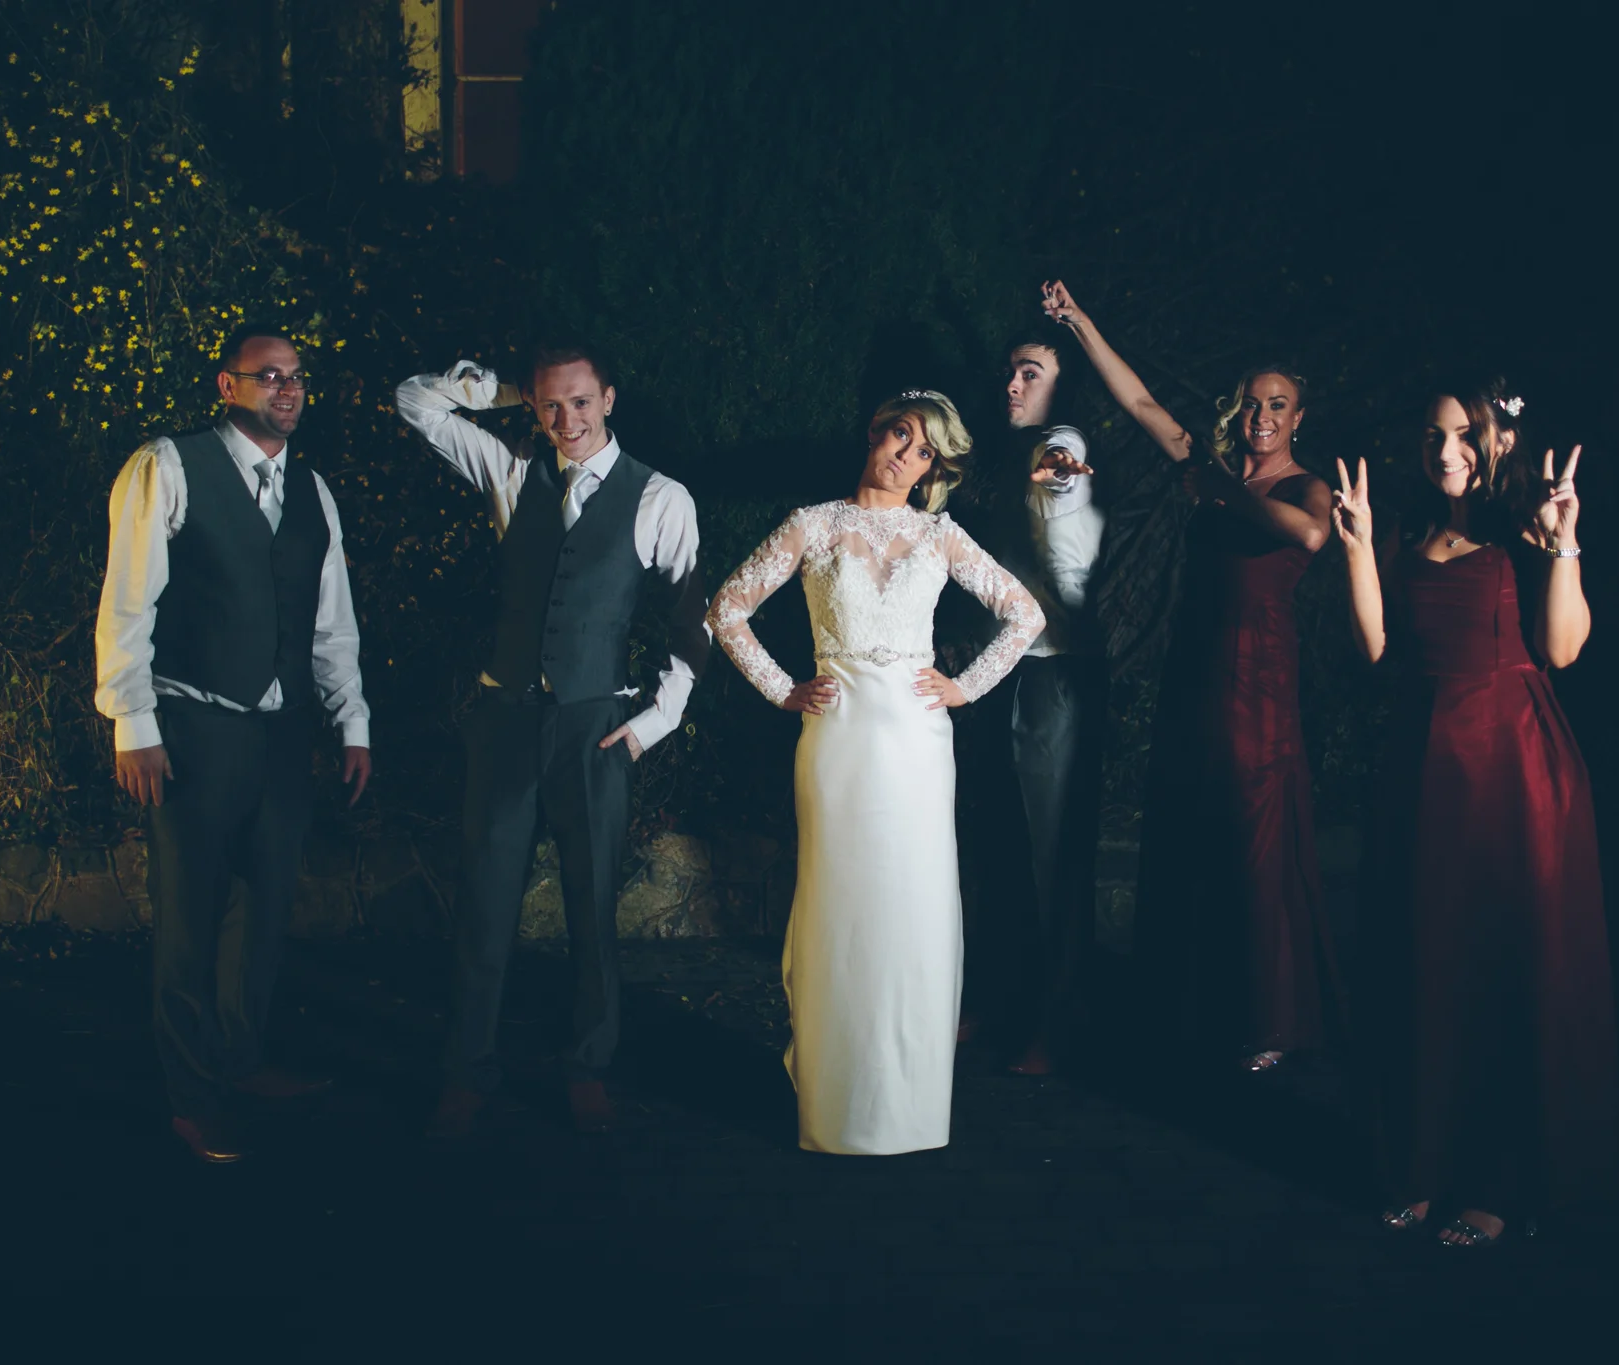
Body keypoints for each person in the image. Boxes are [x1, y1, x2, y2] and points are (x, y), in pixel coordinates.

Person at [707, 391, 1044, 1155]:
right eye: (900, 435)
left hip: (920, 743)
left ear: (934, 468)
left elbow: (1025, 614)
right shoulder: (814, 522)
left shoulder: (939, 534)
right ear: (875, 433)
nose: (905, 454)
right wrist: (782, 686)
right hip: (839, 734)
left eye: (924, 450)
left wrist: (964, 686)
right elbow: (726, 607)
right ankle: (838, 1105)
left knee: (917, 910)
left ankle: (912, 1107)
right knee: (842, 907)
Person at [1331, 384, 1619, 1246]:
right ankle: (1425, 1165)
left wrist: (1565, 543)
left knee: (1503, 964)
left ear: (1496, 439)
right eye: (1432, 435)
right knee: (1429, 959)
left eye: (1463, 434)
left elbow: (1563, 649)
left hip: (1514, 765)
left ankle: (1498, 1179)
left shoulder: (1521, 526)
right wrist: (1354, 548)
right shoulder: (1408, 534)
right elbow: (1376, 647)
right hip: (1425, 765)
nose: (1445, 449)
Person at [395, 345, 708, 1137]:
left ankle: (587, 1066)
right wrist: (504, 393)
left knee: (592, 904)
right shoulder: (510, 470)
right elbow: (414, 402)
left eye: (578, 403)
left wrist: (652, 723)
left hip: (595, 727)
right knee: (485, 903)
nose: (566, 421)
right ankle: (467, 1073)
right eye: (549, 407)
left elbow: (689, 623)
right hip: (504, 722)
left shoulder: (661, 497)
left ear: (608, 397)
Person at [1041, 280, 1341, 1074]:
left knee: (1254, 834)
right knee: (1184, 820)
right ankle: (1187, 1001)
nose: (1262, 416)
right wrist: (1080, 323)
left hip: (1262, 680)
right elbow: (1139, 403)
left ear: (1297, 417)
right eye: (1250, 403)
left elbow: (1310, 534)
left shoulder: (1303, 484)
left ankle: (1270, 1015)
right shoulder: (1209, 464)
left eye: (1277, 405)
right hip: (1196, 663)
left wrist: (1221, 493)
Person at [94, 322, 373, 1163]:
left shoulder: (314, 491)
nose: (287, 390)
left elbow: (334, 626)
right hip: (193, 725)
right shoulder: (168, 466)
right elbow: (127, 603)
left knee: (263, 909)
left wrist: (352, 721)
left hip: (284, 734)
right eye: (269, 377)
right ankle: (192, 1097)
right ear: (227, 386)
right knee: (190, 916)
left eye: (297, 378)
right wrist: (131, 723)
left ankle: (239, 1059)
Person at [950, 328, 1106, 1075]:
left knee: (1052, 858)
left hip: (1057, 676)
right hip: (1003, 671)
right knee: (1001, 848)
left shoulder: (1058, 443)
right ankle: (998, 1001)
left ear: (1059, 387)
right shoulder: (1009, 454)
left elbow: (1064, 486)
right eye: (1010, 369)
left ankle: (1061, 1022)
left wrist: (1060, 479)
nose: (1012, 383)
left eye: (1030, 372)